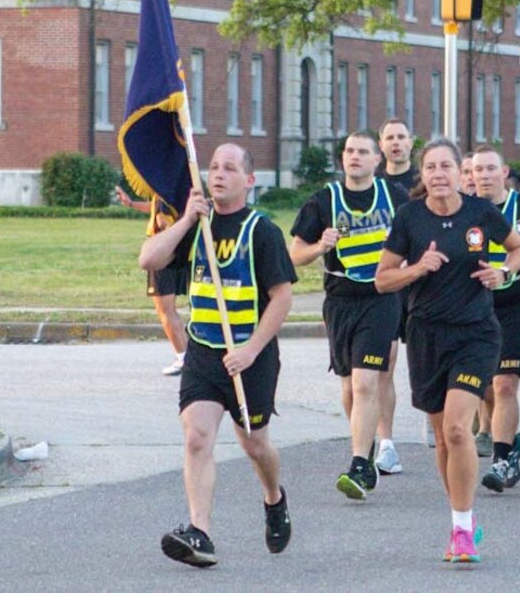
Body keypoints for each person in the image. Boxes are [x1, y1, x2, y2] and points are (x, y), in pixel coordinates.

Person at [140, 143, 296, 568]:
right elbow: (148, 258)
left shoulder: (261, 231)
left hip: (251, 355)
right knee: (197, 437)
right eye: (213, 167)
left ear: (249, 180)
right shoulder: (197, 227)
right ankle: (200, 532)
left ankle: (274, 498)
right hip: (205, 353)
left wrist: (250, 350)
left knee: (254, 444)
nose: (219, 174)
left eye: (230, 168)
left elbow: (282, 298)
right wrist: (188, 218)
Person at [375, 138, 520, 563]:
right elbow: (382, 280)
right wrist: (417, 268)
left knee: (459, 429)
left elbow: (518, 248)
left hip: (475, 333)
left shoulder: (481, 213)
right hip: (426, 334)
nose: (439, 174)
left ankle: (461, 528)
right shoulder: (409, 218)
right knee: (443, 437)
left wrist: (504, 272)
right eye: (431, 168)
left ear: (461, 172)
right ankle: (462, 521)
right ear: (422, 176)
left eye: (446, 166)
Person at [289, 132, 408, 500]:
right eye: (349, 152)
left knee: (366, 382)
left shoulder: (394, 197)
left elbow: (418, 236)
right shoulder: (323, 201)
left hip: (381, 298)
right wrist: (318, 247)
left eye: (362, 152)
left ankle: (358, 464)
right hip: (340, 300)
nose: (354, 157)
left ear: (377, 160)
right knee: (348, 387)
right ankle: (366, 443)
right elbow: (294, 254)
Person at [471, 146, 520, 493]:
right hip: (475, 307)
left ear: (504, 173)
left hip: (518, 303)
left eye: (490, 169)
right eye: (478, 170)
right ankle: (510, 437)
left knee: (504, 384)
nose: (484, 176)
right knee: (485, 385)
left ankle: (501, 461)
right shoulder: (465, 210)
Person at [373, 118, 420, 474]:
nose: (395, 143)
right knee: (383, 364)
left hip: (419, 283)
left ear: (411, 142)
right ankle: (385, 443)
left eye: (401, 137)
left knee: (429, 359)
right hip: (386, 285)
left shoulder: (422, 182)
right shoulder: (371, 185)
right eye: (389, 137)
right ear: (381, 144)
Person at [116, 186, 188, 375]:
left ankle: (183, 358)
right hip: (174, 253)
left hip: (162, 255)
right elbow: (155, 208)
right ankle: (186, 356)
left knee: (165, 310)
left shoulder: (163, 189)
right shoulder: (169, 191)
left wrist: (162, 237)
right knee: (171, 310)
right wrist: (131, 204)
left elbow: (162, 220)